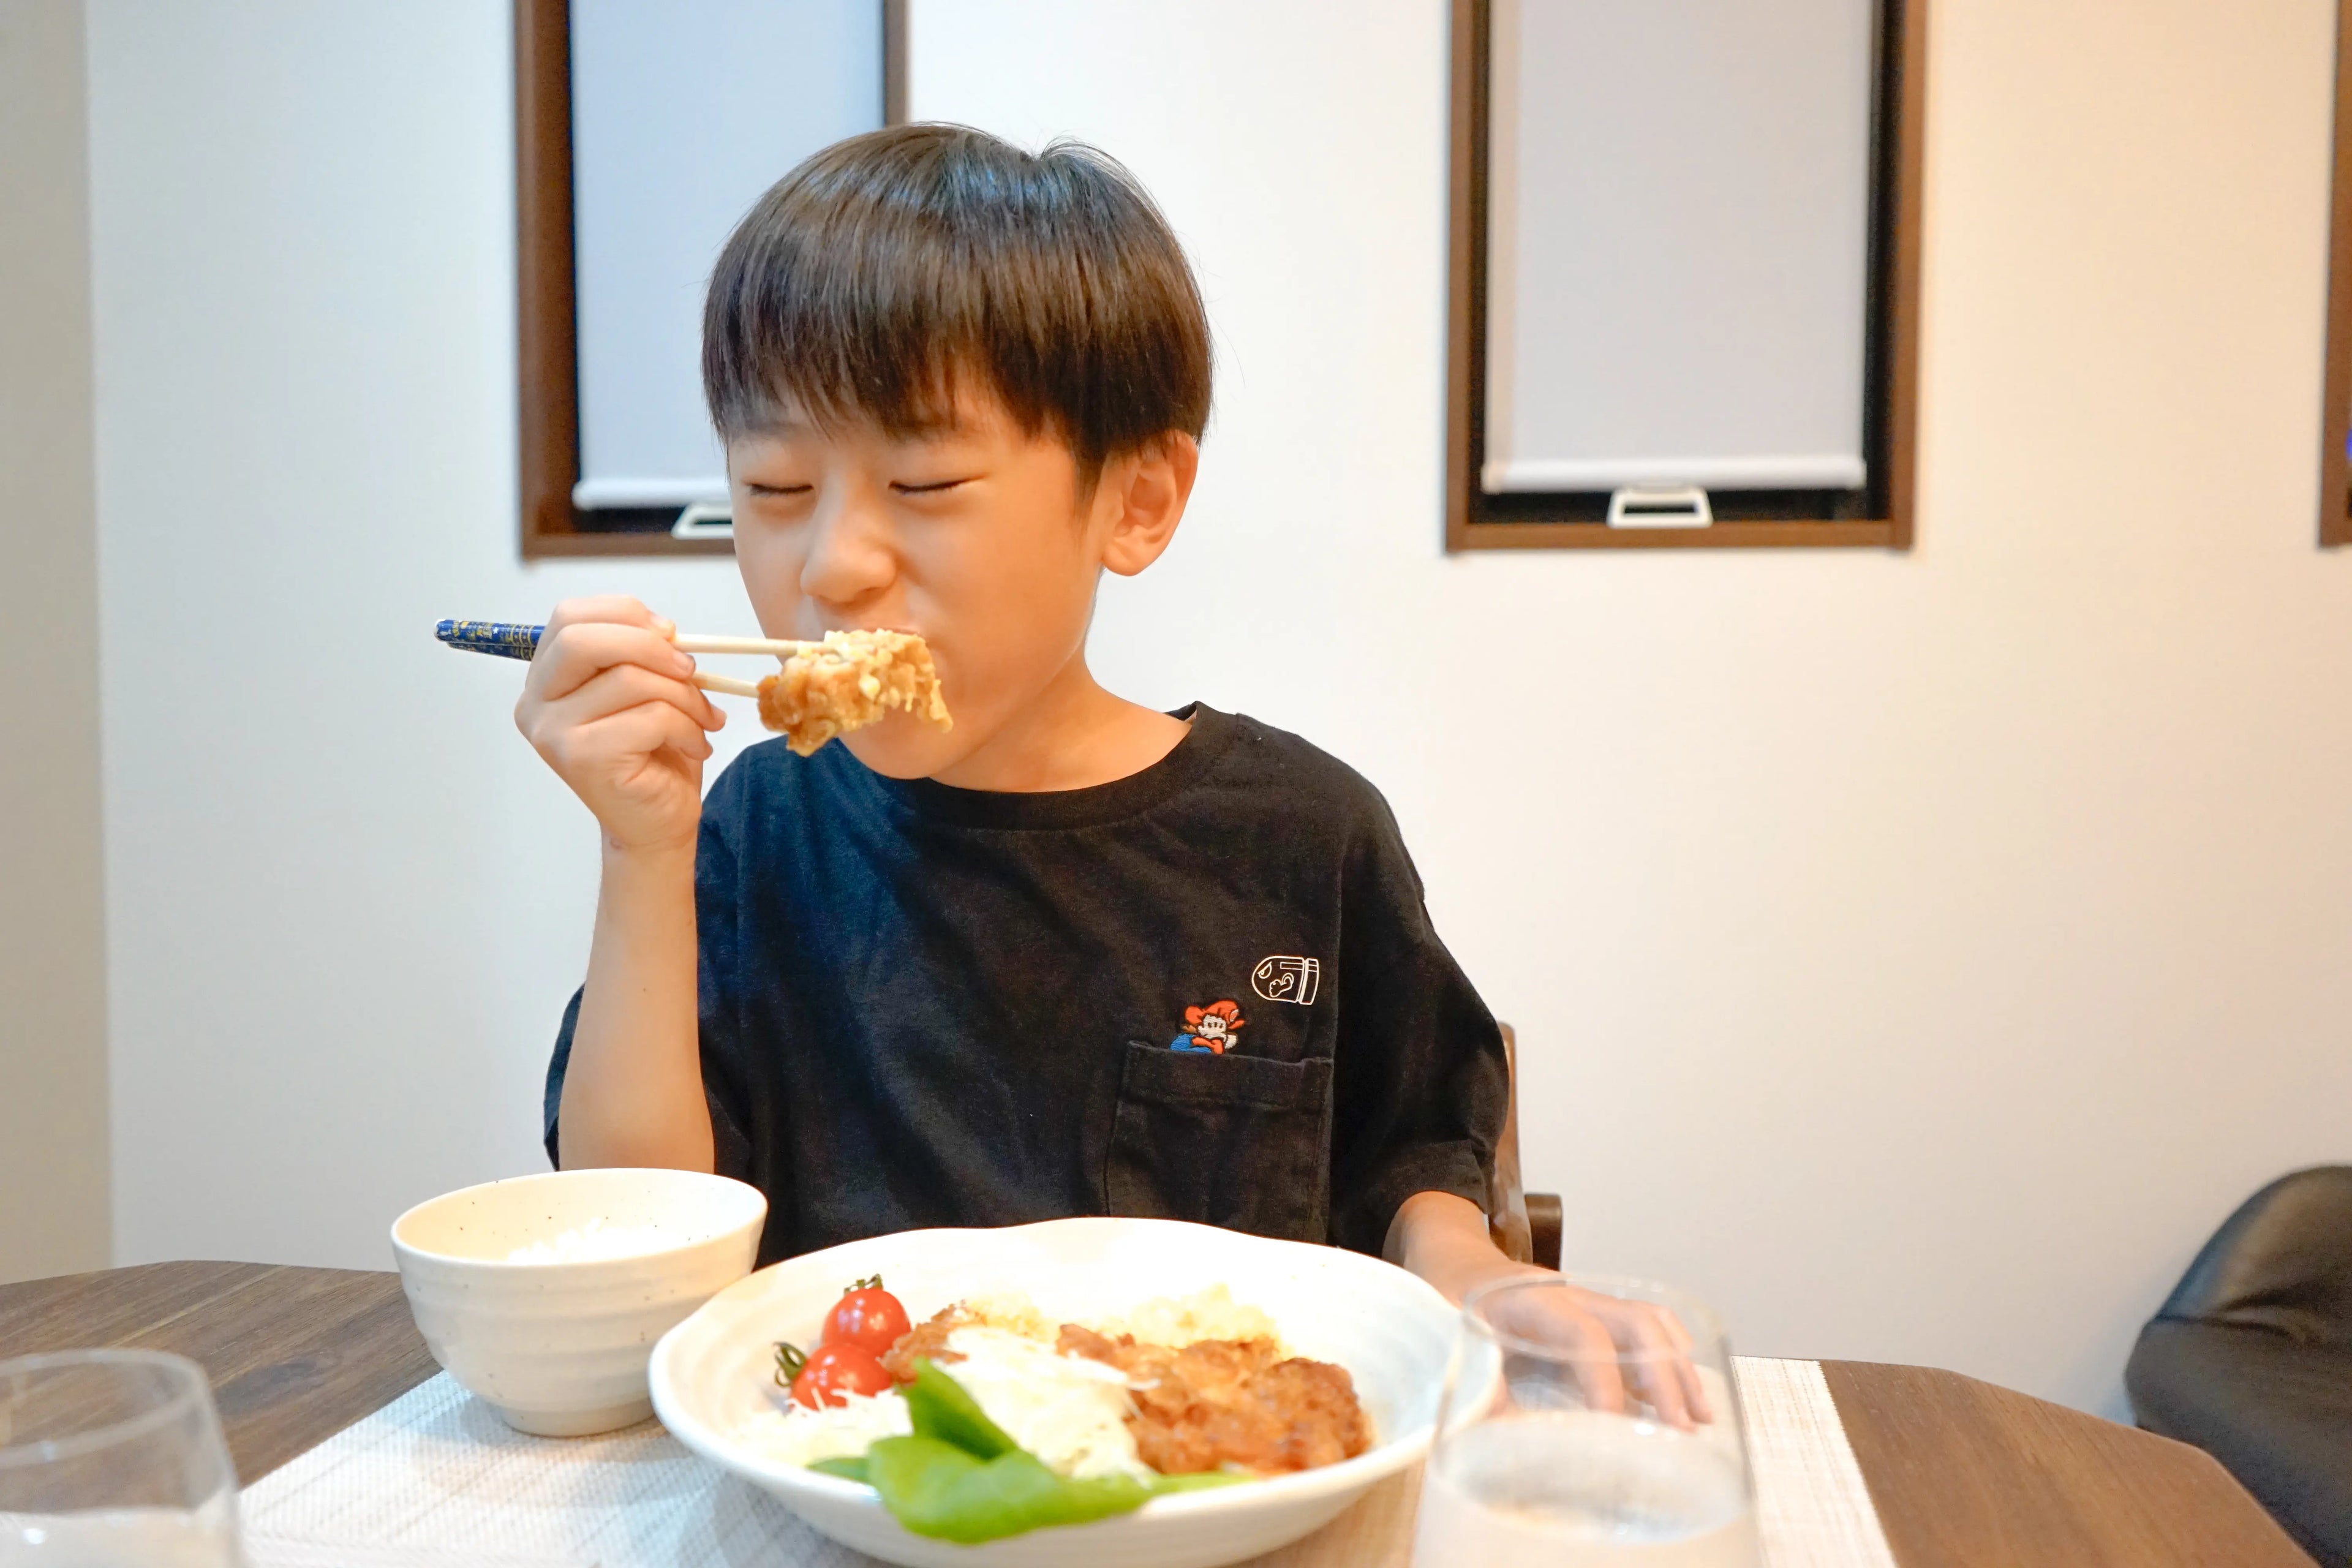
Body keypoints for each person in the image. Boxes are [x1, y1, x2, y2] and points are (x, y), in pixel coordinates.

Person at [516, 124, 1704, 1423]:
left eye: (922, 478)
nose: (833, 565)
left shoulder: (1300, 835)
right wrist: (640, 852)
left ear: (1135, 501)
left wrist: (1471, 1265)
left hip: (1210, 1476)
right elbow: (638, 1234)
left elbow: (1407, 1148)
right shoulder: (752, 826)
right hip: (850, 1477)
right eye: (776, 481)